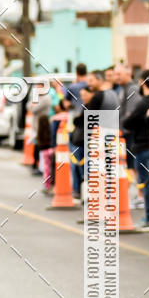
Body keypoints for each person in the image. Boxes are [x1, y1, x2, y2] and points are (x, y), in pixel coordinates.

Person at [122, 70, 149, 231]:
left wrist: (136, 117)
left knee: (146, 182)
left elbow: (127, 123)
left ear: (143, 83)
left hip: (142, 145)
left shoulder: (143, 102)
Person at [114, 64, 143, 207]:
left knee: (134, 166)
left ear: (128, 74)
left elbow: (130, 113)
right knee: (131, 165)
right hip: (126, 133)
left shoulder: (132, 89)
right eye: (116, 74)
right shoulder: (124, 89)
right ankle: (139, 196)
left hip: (130, 134)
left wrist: (122, 127)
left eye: (119, 74)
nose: (116, 77)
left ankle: (141, 196)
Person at [65, 63, 88, 199]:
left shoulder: (73, 87)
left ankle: (77, 189)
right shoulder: (89, 86)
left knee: (75, 157)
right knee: (87, 159)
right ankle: (86, 187)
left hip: (75, 126)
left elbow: (66, 104)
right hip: (88, 124)